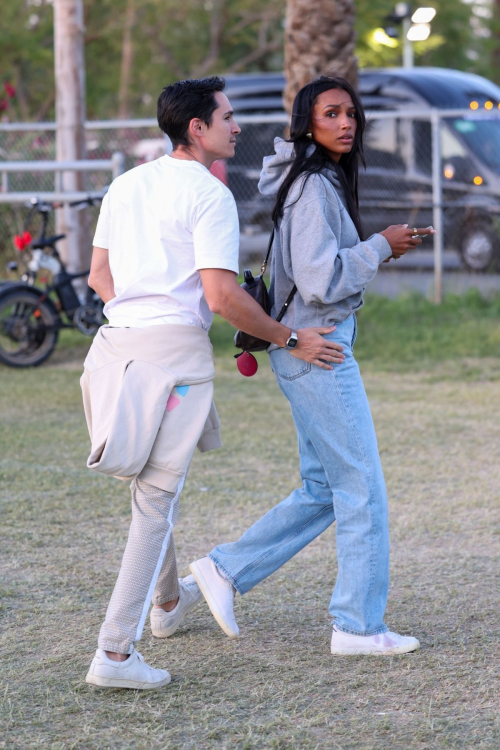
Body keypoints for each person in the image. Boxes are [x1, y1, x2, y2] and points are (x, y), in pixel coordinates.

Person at [81, 76, 345, 690]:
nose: (237, 126)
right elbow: (222, 296)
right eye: (227, 116)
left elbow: (99, 275)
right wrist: (288, 336)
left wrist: (142, 317)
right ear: (197, 128)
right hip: (171, 358)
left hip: (113, 346)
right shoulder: (209, 194)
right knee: (155, 502)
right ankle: (114, 655)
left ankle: (168, 605)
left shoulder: (126, 183)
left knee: (147, 489)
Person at [189, 75, 435, 656]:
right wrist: (380, 245)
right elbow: (322, 279)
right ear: (308, 123)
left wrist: (380, 247)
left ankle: (223, 571)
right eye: (332, 113)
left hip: (308, 347)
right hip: (316, 348)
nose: (346, 123)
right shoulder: (314, 186)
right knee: (363, 491)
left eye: (351, 113)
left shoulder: (312, 180)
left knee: (325, 488)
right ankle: (356, 627)